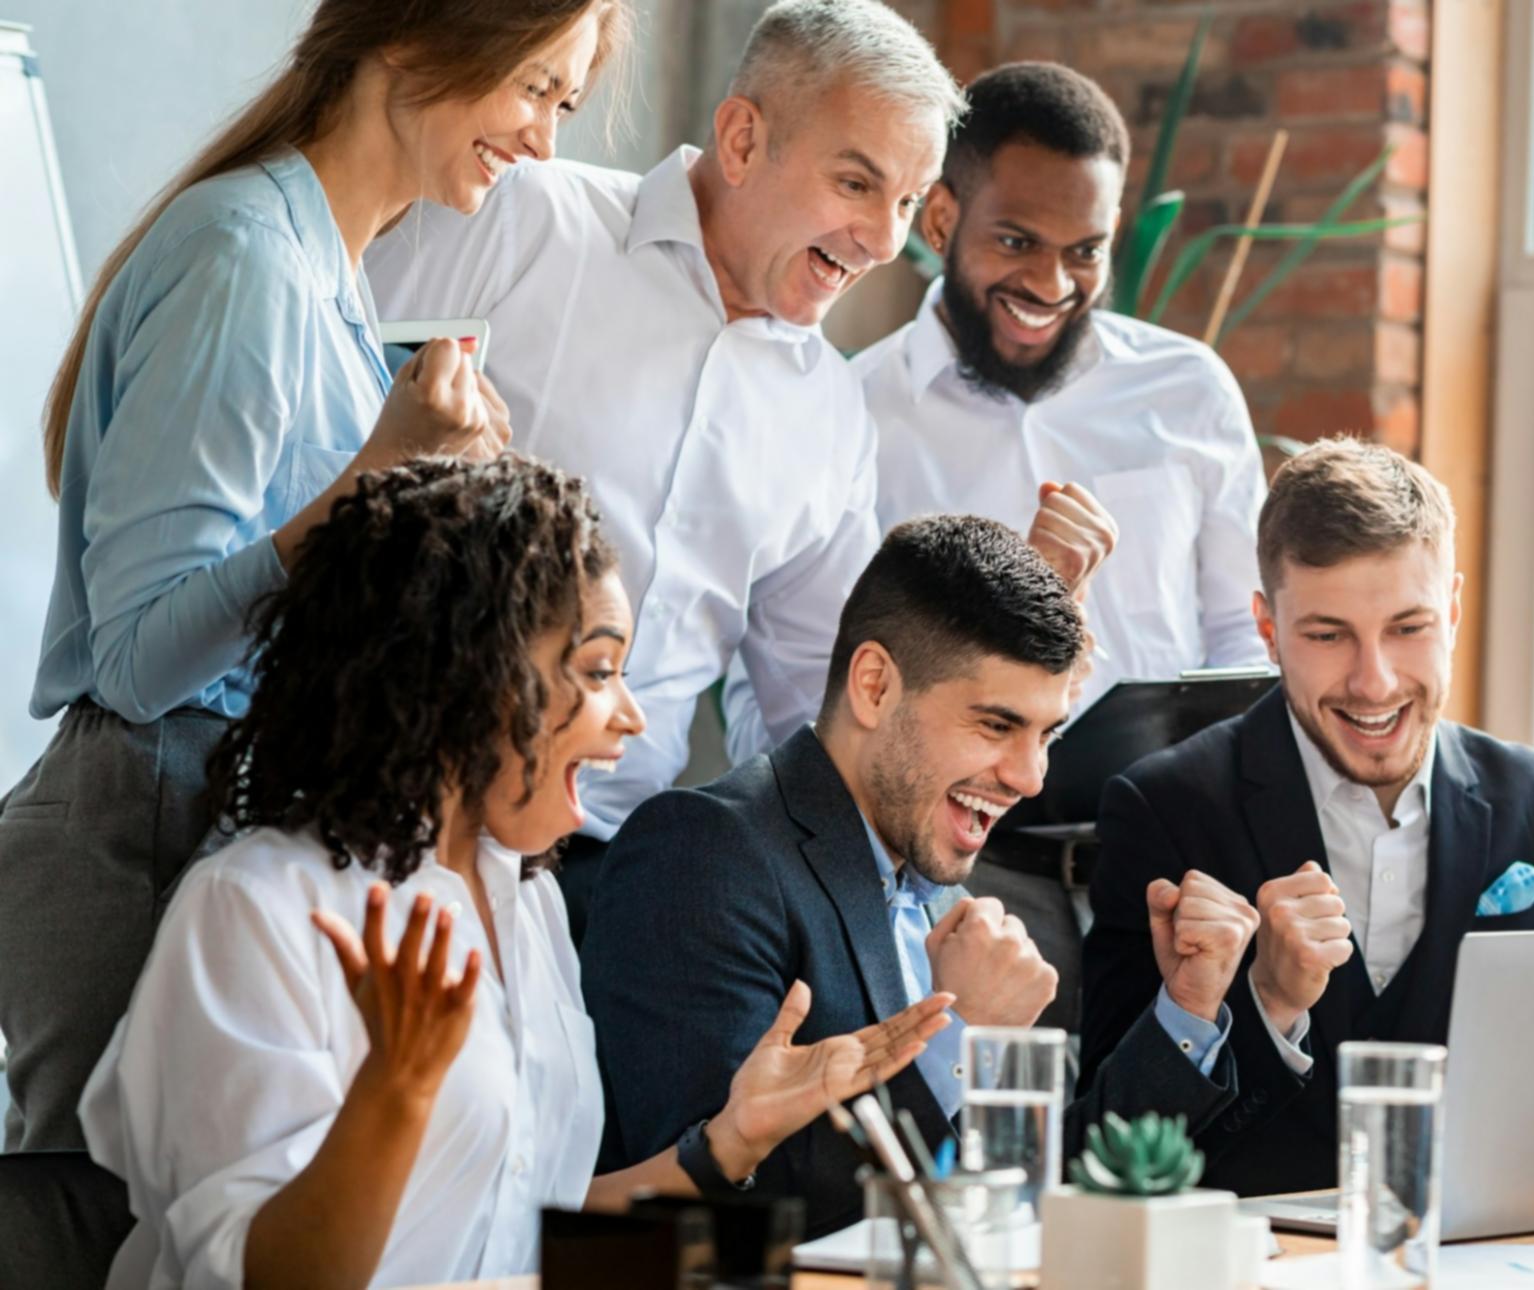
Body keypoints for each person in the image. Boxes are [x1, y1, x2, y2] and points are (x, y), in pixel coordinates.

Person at [0, 0, 636, 1153]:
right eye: (534, 88)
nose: (546, 140)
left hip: (208, 807)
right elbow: (141, 663)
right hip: (143, 823)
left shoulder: (330, 273)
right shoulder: (242, 257)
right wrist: (375, 474)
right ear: (413, 37)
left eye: (565, 103)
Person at [80, 456, 952, 1290]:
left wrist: (727, 1142)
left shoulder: (522, 896)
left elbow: (528, 1236)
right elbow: (270, 1278)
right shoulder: (257, 909)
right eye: (599, 671)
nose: (631, 718)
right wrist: (396, 1089)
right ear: (470, 670)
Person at [367, 1, 1123, 941]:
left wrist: (1013, 631)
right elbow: (328, 445)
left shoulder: (831, 416)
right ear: (740, 137)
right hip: (390, 817)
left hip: (611, 881)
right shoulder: (522, 218)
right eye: (857, 183)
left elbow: (820, 711)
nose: (884, 242)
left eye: (904, 202)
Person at [1080, 437, 1534, 1196]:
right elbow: (1102, 1147)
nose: (1375, 682)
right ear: (1268, 630)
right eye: (1327, 635)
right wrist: (1265, 1004)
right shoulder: (1164, 809)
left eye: (1409, 628)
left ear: (1455, 610)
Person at [582, 516, 1262, 1237]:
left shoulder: (942, 886)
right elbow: (717, 1207)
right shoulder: (703, 853)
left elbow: (1051, 1183)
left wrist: (1186, 1011)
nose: (1031, 780)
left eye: (1047, 736)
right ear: (874, 686)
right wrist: (960, 1037)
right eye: (997, 727)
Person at [849, 61, 1270, 1030]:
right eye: (1015, 242)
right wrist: (1028, 595)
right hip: (964, 894)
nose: (1050, 283)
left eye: (1085, 250)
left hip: (1175, 886)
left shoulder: (1188, 392)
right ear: (940, 220)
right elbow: (827, 693)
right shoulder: (854, 416)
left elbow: (1243, 646)